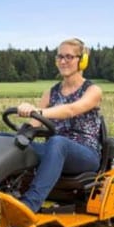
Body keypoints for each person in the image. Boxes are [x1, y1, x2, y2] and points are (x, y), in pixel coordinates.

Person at [17, 38, 102, 213]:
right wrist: (23, 131)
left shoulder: (92, 91)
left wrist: (38, 111)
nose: (63, 61)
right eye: (60, 57)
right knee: (8, 141)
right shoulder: (50, 93)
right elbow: (34, 124)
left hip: (85, 155)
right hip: (54, 150)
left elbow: (71, 110)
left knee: (57, 142)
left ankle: (29, 206)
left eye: (69, 57)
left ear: (82, 60)